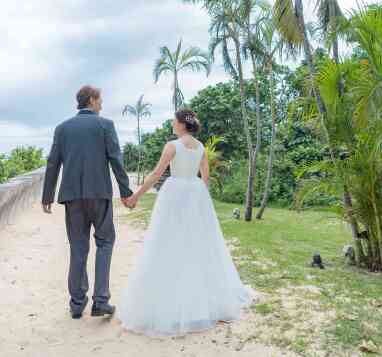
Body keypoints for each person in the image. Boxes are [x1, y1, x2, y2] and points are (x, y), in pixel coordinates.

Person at [119, 109, 254, 337]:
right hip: (195, 193)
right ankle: (205, 300)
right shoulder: (200, 147)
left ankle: (172, 298)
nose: (172, 123)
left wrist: (135, 197)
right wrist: (200, 196)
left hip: (175, 194)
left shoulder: (173, 146)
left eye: (174, 120)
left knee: (168, 242)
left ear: (182, 124)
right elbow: (206, 176)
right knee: (198, 243)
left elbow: (155, 175)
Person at [42, 85, 135, 319]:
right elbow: (116, 159)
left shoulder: (62, 128)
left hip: (72, 197)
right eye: (100, 99)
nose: (102, 104)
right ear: (92, 100)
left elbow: (53, 163)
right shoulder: (105, 125)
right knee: (105, 243)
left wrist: (47, 196)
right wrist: (125, 192)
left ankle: (76, 304)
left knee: (78, 247)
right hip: (99, 195)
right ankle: (101, 300)